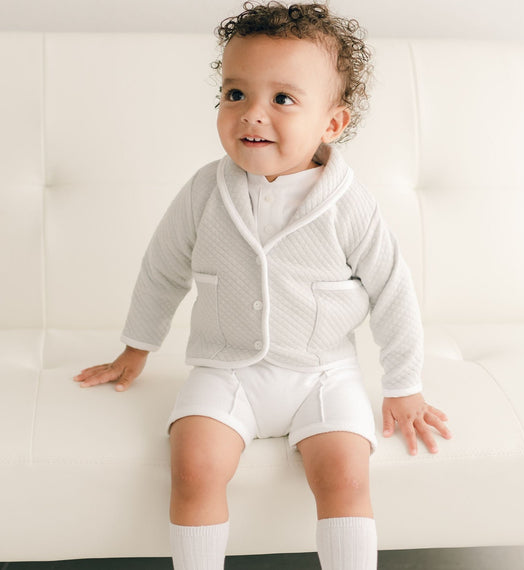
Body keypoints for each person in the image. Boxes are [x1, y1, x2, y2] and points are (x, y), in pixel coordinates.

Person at [74, 2, 452, 569]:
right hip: (225, 369)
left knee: (345, 474)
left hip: (323, 373)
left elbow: (392, 290)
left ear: (332, 123)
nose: (252, 114)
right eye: (235, 95)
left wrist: (404, 383)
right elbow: (163, 267)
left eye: (282, 99)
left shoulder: (348, 204)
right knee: (193, 466)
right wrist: (137, 347)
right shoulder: (206, 191)